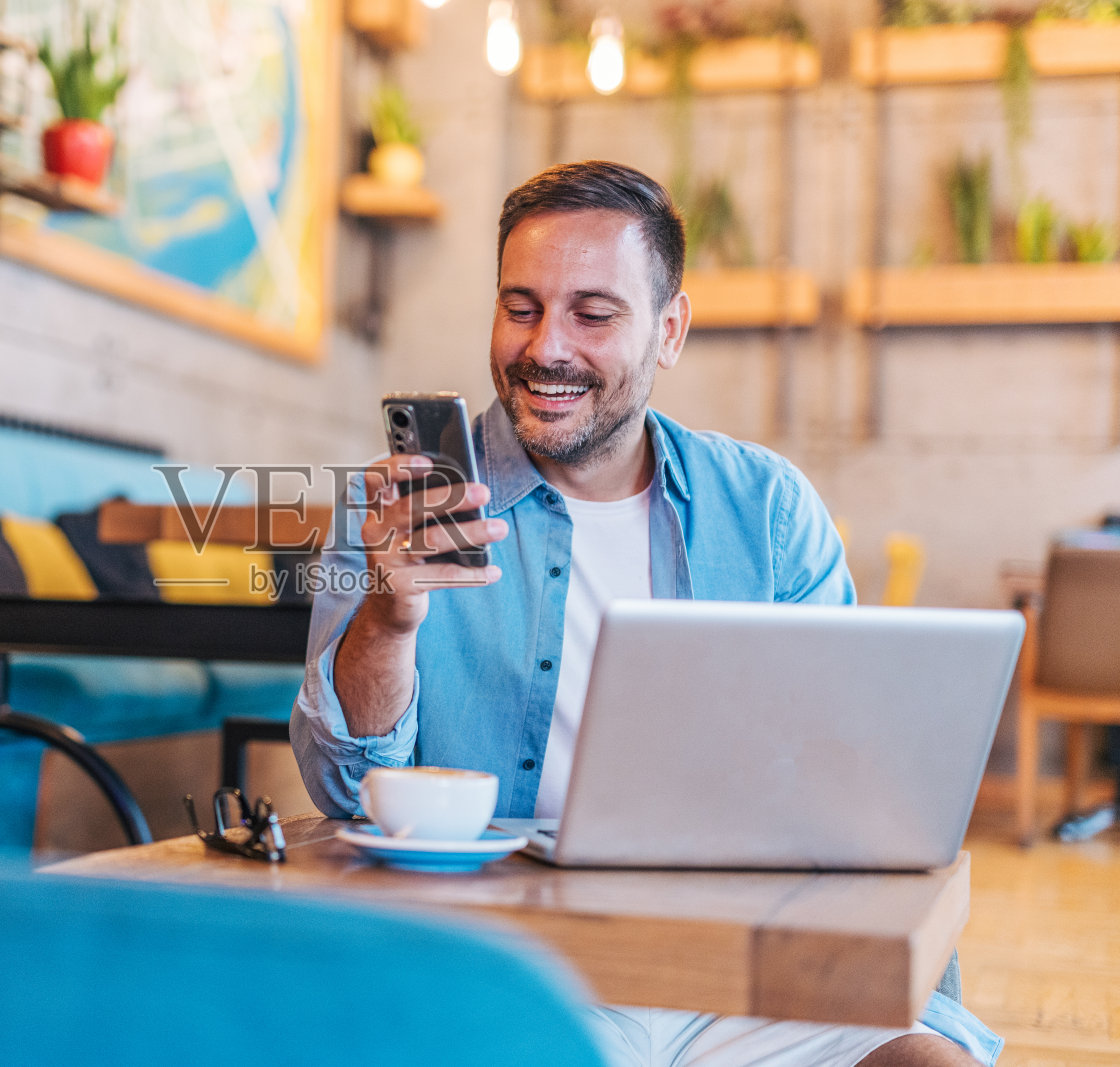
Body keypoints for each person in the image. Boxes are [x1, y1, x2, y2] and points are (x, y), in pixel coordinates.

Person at [289, 161, 1000, 1067]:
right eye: (520, 307)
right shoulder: (401, 505)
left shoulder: (768, 509)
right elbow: (344, 791)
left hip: (739, 963)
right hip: (523, 966)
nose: (546, 347)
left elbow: (852, 796)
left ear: (670, 330)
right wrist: (390, 622)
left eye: (593, 314)